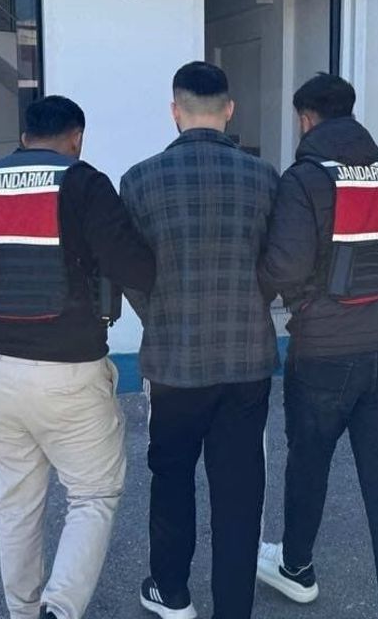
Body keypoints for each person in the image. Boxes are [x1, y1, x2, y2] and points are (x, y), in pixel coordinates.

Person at [0, 95, 156, 619]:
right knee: (93, 495)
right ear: (77, 138)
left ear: (24, 136)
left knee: (17, 497)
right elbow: (134, 268)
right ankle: (61, 608)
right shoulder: (84, 184)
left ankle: (24, 611)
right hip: (70, 372)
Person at [255, 74, 378, 619]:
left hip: (325, 353)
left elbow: (284, 266)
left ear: (306, 119)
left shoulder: (304, 180)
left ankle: (296, 566)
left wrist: (293, 301)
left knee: (309, 464)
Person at [120, 61, 280, 619]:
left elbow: (131, 270)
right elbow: (278, 261)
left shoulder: (139, 180)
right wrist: (253, 298)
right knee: (240, 491)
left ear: (175, 110)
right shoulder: (265, 177)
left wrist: (160, 314)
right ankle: (233, 609)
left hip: (174, 361)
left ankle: (172, 592)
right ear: (229, 109)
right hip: (246, 358)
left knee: (171, 477)